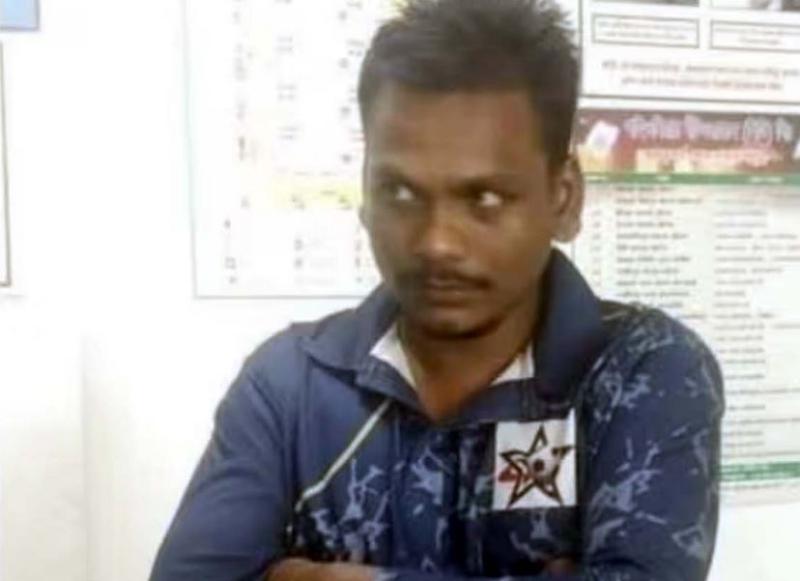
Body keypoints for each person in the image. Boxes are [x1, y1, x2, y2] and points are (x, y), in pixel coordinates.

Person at [150, 1, 724, 579]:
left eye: (485, 198)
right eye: (400, 193)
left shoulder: (642, 371)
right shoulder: (289, 384)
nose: (436, 243)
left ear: (564, 198)